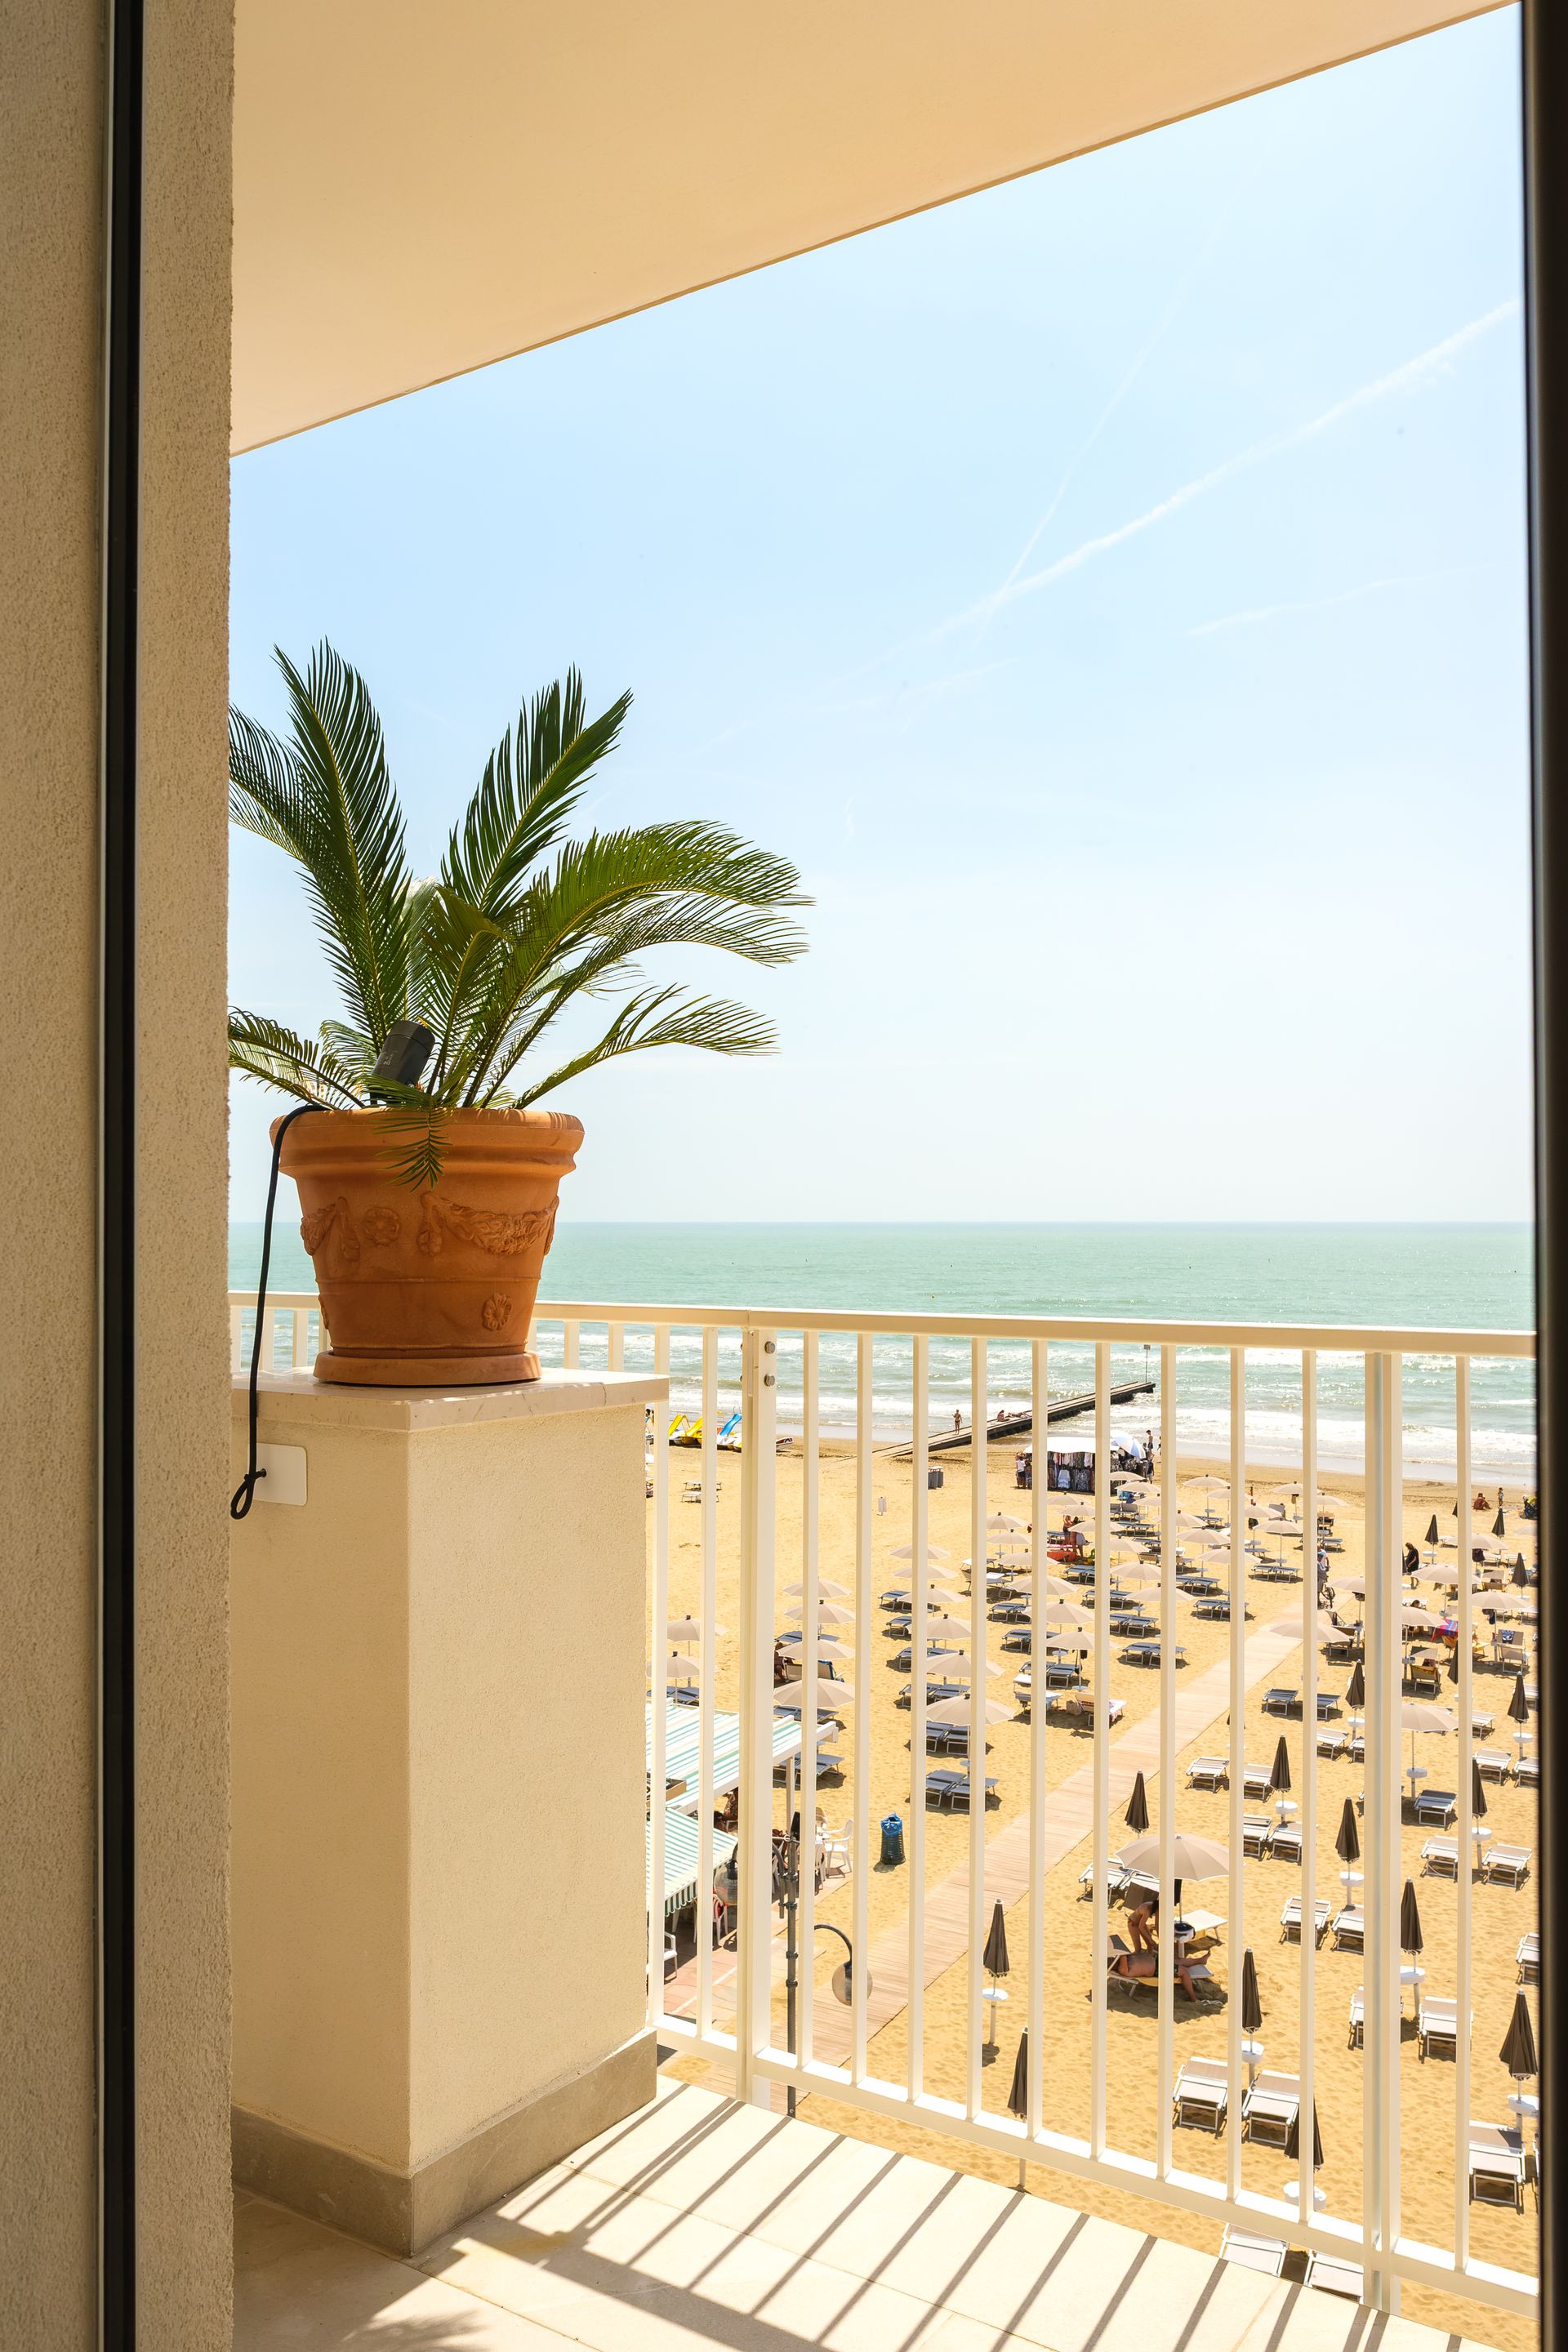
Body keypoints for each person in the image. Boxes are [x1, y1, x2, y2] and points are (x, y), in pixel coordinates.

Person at [1108, 1941, 1205, 2003]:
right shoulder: (1122, 1968)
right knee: (1184, 1971)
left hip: (1156, 1960)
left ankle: (1200, 1961)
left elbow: (1125, 1953)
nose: (1112, 1958)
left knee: (1179, 1961)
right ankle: (1193, 1998)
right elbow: (1123, 1953)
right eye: (1110, 1959)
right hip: (1158, 1969)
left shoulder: (1122, 1960)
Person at [1127, 1887, 1159, 1952]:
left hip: (1141, 1923)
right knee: (1138, 1949)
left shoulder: (1157, 1908)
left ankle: (1149, 1957)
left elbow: (1157, 1925)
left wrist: (1159, 1938)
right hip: (1133, 1924)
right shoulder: (1148, 1910)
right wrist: (1150, 1940)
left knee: (1150, 1944)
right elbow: (1140, 1927)